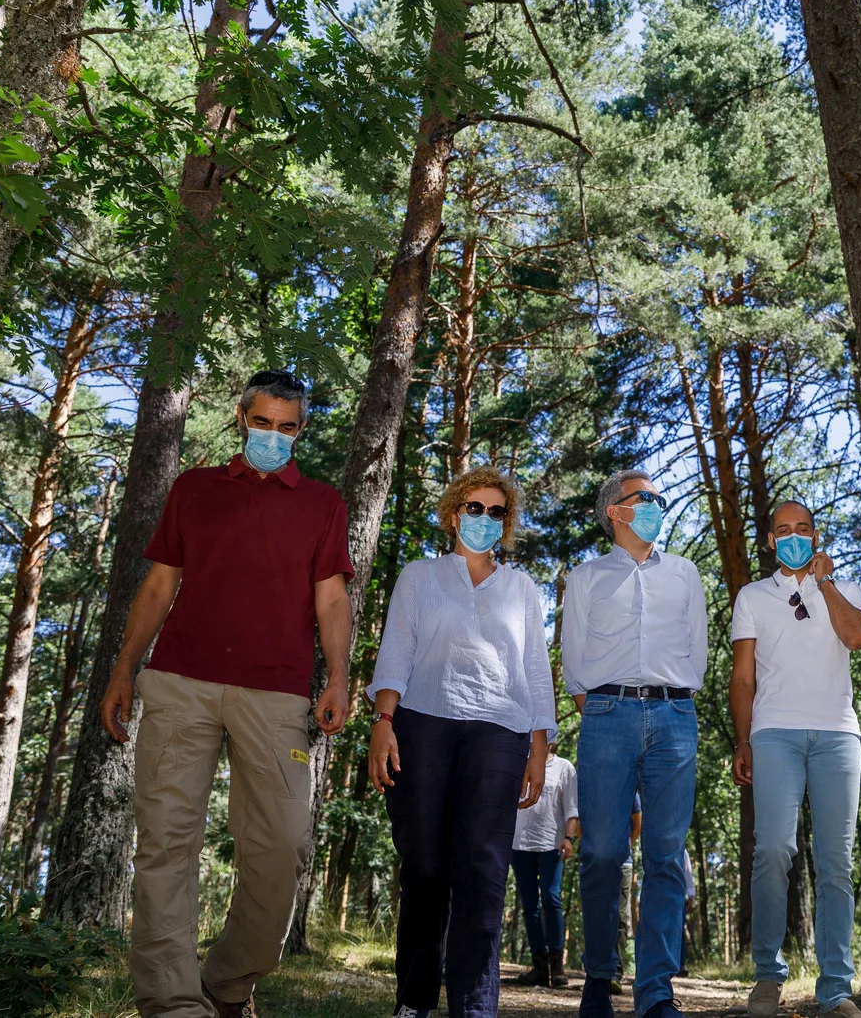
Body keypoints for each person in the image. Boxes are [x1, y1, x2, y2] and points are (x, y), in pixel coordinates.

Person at [99, 370, 355, 1018]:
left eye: (288, 426)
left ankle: (227, 982)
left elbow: (331, 598)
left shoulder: (323, 504)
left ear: (301, 429)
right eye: (263, 422)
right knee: (166, 843)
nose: (274, 435)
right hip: (180, 681)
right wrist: (126, 667)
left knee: (283, 846)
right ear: (242, 419)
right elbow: (159, 586)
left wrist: (340, 676)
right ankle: (172, 1003)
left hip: (277, 693)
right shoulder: (195, 488)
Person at [367, 466, 557, 1018]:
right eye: (474, 508)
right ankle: (414, 1001)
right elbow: (396, 652)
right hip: (423, 722)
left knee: (482, 870)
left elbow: (536, 669)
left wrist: (538, 747)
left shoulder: (521, 587)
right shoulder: (420, 576)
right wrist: (383, 722)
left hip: (501, 732)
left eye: (497, 511)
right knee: (425, 866)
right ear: (453, 514)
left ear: (507, 523)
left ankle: (474, 1007)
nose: (485, 519)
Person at [561, 469, 708, 1018]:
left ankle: (656, 992)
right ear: (615, 512)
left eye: (658, 498)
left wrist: (672, 698)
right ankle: (599, 978)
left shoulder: (686, 574)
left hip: (675, 716)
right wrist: (607, 708)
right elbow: (573, 660)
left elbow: (698, 652)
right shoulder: (586, 577)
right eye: (644, 498)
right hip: (606, 714)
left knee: (666, 857)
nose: (655, 505)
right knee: (602, 853)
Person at [730, 500, 861, 1018]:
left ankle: (835, 987)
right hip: (774, 734)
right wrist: (742, 741)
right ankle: (768, 978)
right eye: (783, 531)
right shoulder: (752, 597)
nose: (793, 537)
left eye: (803, 529)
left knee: (836, 861)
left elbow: (857, 637)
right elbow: (743, 678)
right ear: (770, 540)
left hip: (838, 736)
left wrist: (824, 584)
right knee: (772, 849)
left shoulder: (844, 587)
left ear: (816, 536)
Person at [512, 742, 579, 989]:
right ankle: (539, 964)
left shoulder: (564, 767)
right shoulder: (518, 763)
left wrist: (569, 838)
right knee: (529, 905)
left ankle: (556, 963)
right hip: (520, 844)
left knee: (552, 899)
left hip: (552, 844)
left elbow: (572, 806)